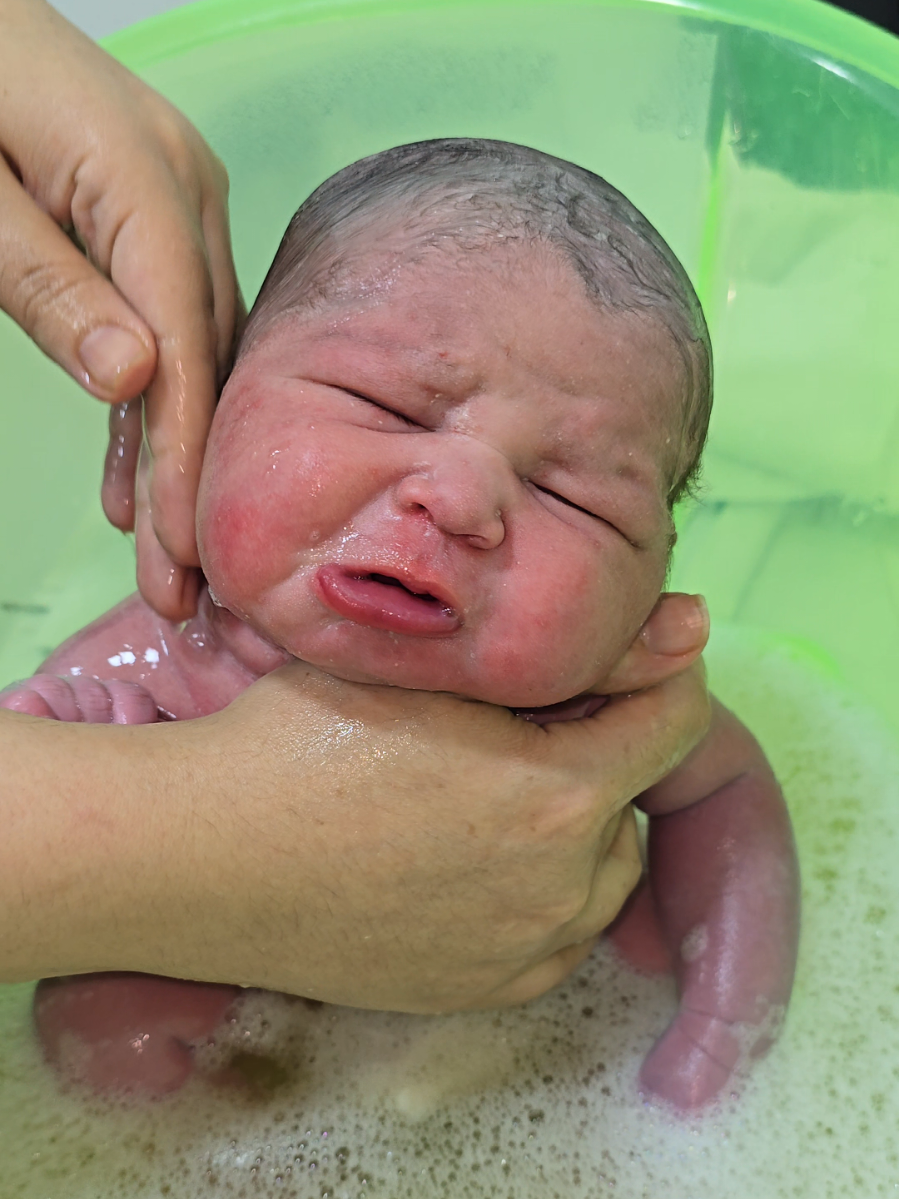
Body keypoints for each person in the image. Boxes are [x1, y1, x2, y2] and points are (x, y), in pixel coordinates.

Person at [4, 139, 800, 1113]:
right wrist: (73, 730)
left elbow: (725, 801)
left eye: (572, 497)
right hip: (239, 1018)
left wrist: (719, 1033)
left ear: (655, 573)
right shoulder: (155, 660)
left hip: (549, 1026)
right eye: (379, 404)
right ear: (204, 409)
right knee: (100, 1023)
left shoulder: (597, 712)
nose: (461, 496)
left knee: (640, 947)